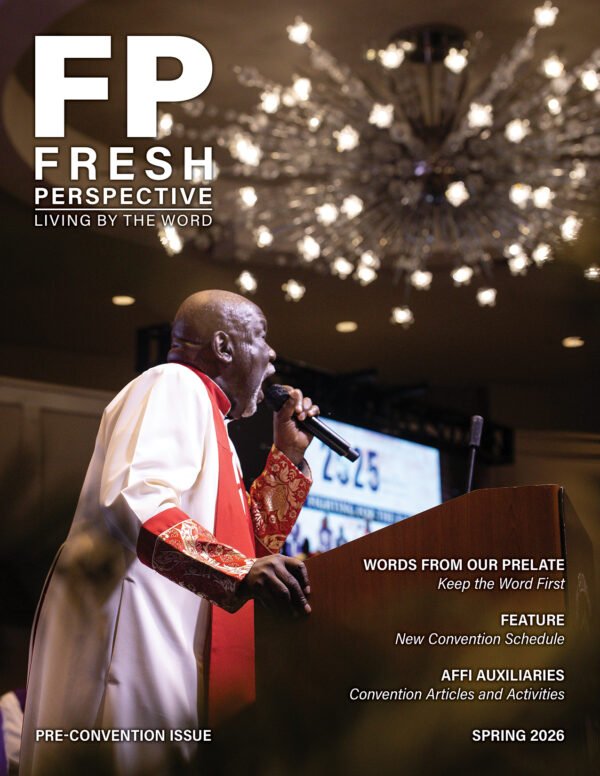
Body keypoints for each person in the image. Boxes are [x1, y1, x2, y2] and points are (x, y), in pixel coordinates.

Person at [18, 290, 319, 776]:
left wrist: (288, 457)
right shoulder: (172, 383)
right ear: (223, 346)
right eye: (261, 337)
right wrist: (237, 571)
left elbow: (246, 547)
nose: (271, 354)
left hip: (173, 638)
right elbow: (136, 498)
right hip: (136, 638)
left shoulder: (211, 420)